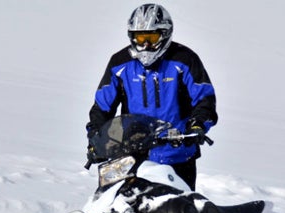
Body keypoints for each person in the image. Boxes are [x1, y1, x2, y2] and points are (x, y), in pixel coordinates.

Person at [86, 3, 218, 190]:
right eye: (140, 38)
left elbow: (205, 98)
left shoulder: (184, 60)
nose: (145, 45)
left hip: (177, 153)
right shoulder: (120, 63)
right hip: (131, 153)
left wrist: (197, 125)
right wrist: (95, 138)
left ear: (165, 34)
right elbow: (102, 106)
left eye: (151, 37)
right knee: (114, 204)